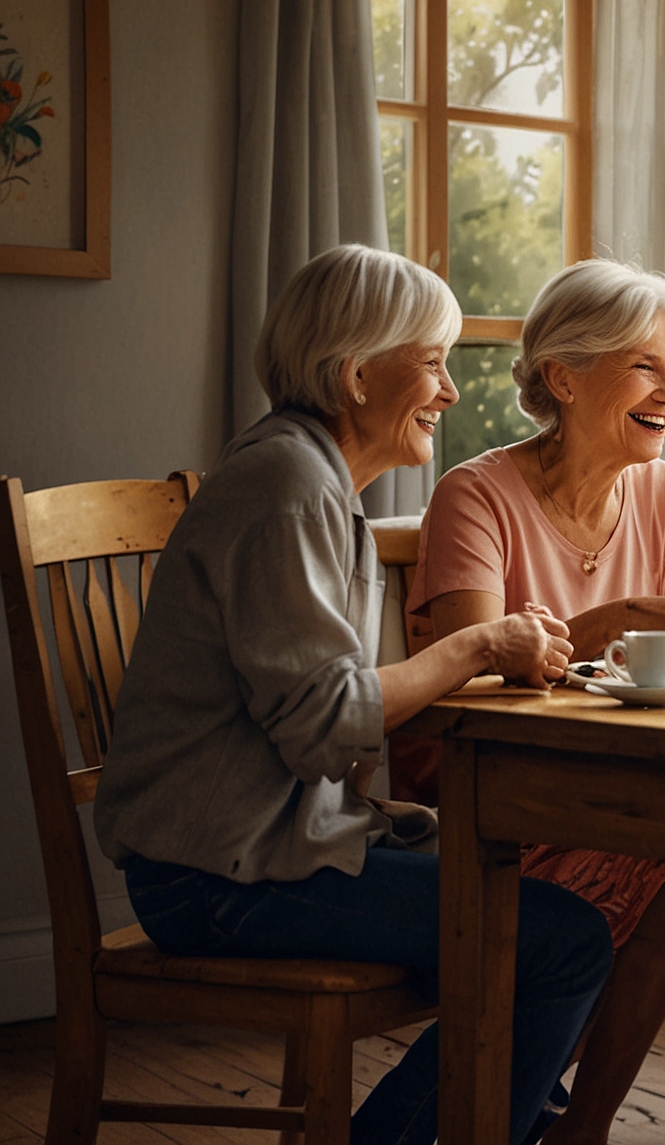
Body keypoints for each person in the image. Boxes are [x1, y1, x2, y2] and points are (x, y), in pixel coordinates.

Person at [93, 246, 608, 1145]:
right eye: (435, 363)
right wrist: (482, 642)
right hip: (216, 878)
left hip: (255, 854)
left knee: (546, 910)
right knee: (560, 941)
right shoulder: (289, 486)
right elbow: (327, 725)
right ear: (358, 374)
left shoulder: (309, 478)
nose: (449, 393)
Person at [408, 258, 665, 1145]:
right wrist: (606, 622)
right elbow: (462, 690)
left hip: (625, 793)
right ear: (564, 377)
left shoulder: (661, 495)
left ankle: (548, 1107)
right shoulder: (476, 496)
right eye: (648, 367)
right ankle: (563, 1121)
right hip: (495, 805)